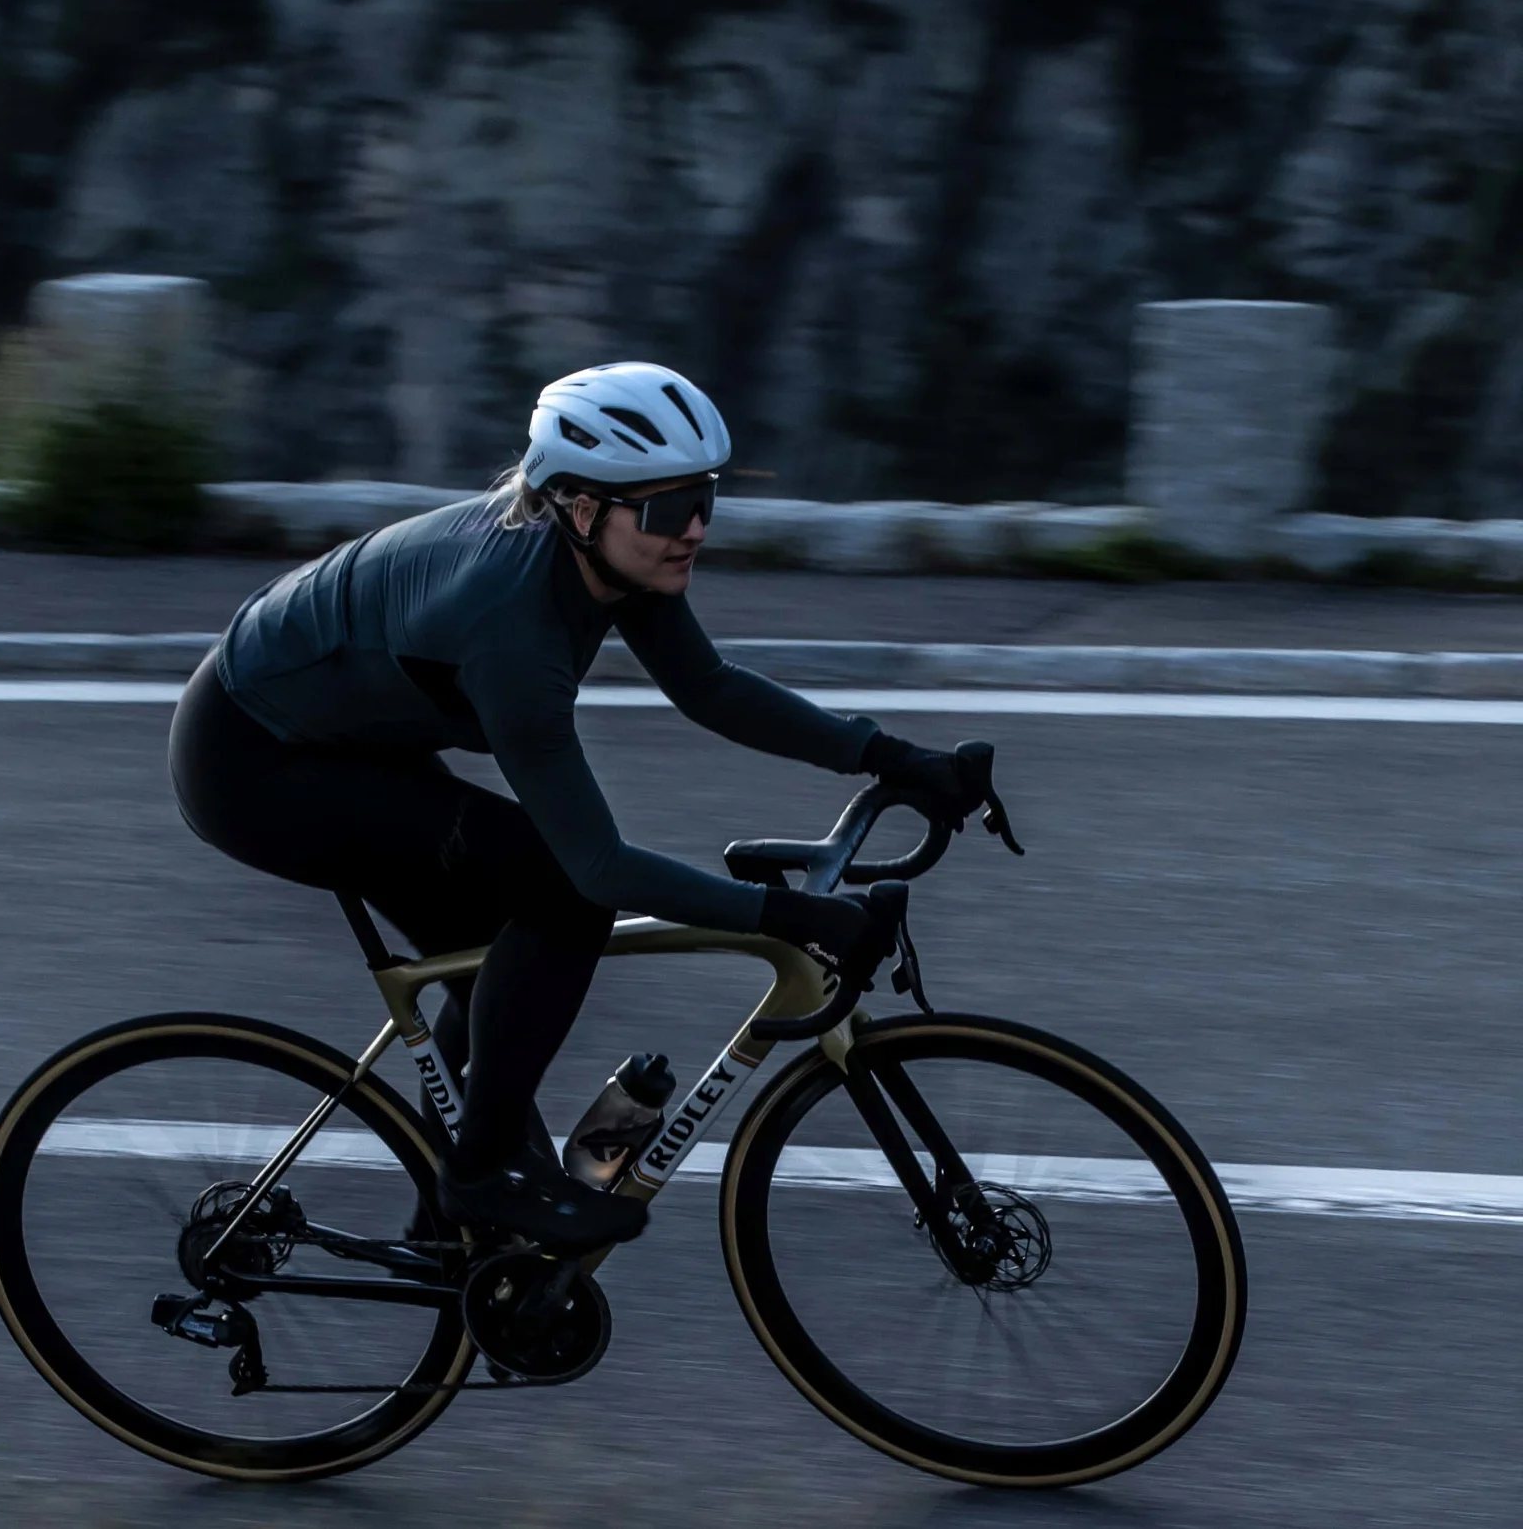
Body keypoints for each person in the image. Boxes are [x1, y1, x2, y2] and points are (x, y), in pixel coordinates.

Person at [169, 362, 984, 1253]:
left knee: (495, 954)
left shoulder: (607, 557)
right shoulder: (512, 633)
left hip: (340, 732)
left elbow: (709, 687)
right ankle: (481, 1175)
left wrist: (894, 757)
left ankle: (454, 1241)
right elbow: (598, 866)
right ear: (583, 508)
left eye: (706, 499)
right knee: (561, 895)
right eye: (671, 510)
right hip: (253, 762)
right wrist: (790, 916)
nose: (696, 529)